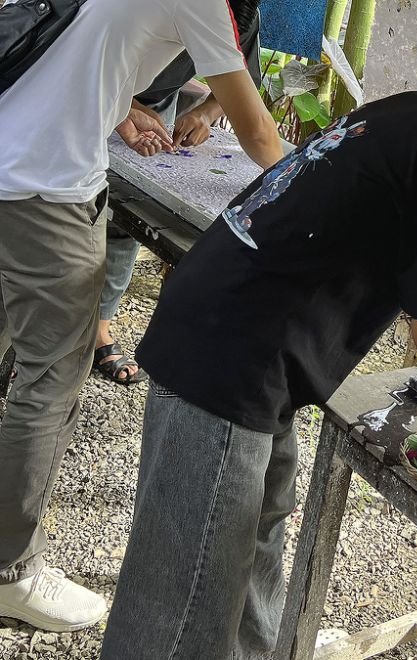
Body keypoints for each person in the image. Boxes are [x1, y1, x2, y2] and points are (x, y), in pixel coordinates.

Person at [100, 16, 417, 658]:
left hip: (233, 328)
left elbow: (406, 262)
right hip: (234, 356)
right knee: (184, 584)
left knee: (252, 532)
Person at [0, 0, 283, 633]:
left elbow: (76, 52)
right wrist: (329, 202)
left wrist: (121, 108)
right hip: (46, 186)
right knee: (50, 382)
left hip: (9, 151)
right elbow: (259, 133)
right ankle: (9, 571)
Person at [96, 6, 266, 385]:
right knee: (71, 213)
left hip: (154, 106)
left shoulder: (241, 13)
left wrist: (204, 114)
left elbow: (243, 84)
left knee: (129, 218)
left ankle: (97, 329)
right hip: (93, 90)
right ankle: (43, 338)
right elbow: (76, 60)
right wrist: (123, 106)